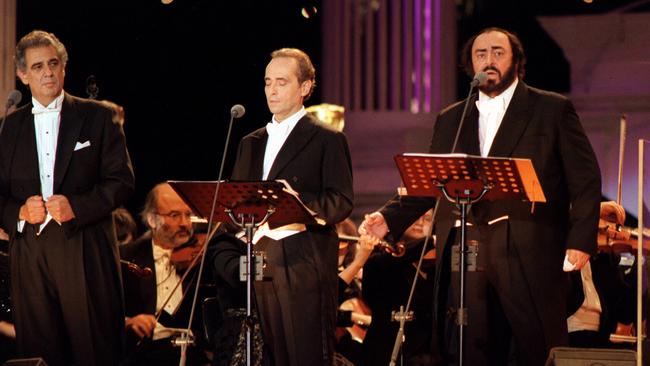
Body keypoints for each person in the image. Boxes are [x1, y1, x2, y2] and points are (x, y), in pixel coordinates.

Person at [360, 27, 601, 365]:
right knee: (470, 347)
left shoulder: (551, 109)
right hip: (467, 249)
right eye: (480, 54)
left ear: (516, 59)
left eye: (498, 52)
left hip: (529, 250)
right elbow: (432, 181)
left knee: (533, 347)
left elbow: (586, 179)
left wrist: (581, 239)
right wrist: (388, 217)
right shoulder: (451, 118)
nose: (489, 60)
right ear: (469, 63)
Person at [0, 30, 134, 365]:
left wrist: (77, 206)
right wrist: (18, 212)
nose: (47, 72)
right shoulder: (7, 128)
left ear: (64, 68)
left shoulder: (99, 116)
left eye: (53, 63)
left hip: (85, 247)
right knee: (38, 351)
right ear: (23, 74)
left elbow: (122, 181)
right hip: (29, 251)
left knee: (94, 348)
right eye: (38, 66)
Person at [230, 47, 354, 365]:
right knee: (273, 354)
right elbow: (236, 199)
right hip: (261, 261)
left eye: (281, 82)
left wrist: (296, 207)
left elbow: (340, 201)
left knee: (306, 354)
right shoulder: (251, 142)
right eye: (268, 81)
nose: (272, 89)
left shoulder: (327, 138)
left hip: (305, 264)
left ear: (305, 88)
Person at [120, 183, 211, 365]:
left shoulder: (205, 255)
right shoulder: (126, 257)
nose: (185, 223)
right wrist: (128, 321)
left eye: (188, 214)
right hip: (146, 352)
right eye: (175, 215)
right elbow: (103, 309)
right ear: (152, 220)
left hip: (195, 350)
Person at [362, 210, 436, 366]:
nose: (420, 222)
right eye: (415, 215)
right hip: (385, 354)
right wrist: (432, 241)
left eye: (427, 218)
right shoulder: (380, 258)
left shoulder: (438, 266)